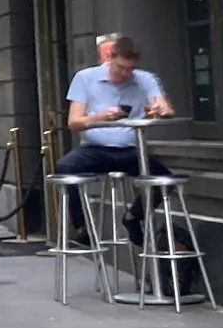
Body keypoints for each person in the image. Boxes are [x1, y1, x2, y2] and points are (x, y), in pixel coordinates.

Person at [62, 34, 176, 247]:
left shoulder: (144, 79)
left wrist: (163, 110)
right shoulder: (85, 78)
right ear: (109, 58)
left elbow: (165, 107)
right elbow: (73, 123)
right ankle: (83, 228)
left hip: (130, 149)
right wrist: (101, 117)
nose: (125, 74)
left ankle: (133, 216)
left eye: (130, 69)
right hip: (95, 148)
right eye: (120, 68)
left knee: (164, 179)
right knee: (66, 167)